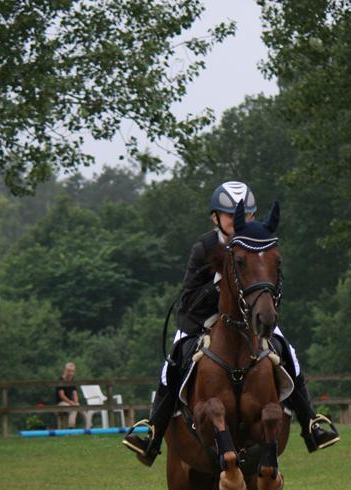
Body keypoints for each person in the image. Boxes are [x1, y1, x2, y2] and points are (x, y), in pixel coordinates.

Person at [122, 180, 339, 466]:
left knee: (289, 353)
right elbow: (189, 297)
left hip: (250, 319)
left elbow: (272, 281)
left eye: (247, 215)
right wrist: (219, 286)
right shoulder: (204, 248)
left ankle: (311, 423)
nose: (238, 221)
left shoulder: (258, 245)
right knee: (173, 362)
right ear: (216, 218)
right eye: (231, 216)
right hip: (203, 319)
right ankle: (152, 432)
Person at [55, 362, 79, 428]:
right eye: (69, 371)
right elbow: (62, 396)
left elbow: (75, 394)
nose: (70, 373)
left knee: (82, 409)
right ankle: (71, 427)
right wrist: (72, 403)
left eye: (72, 371)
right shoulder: (60, 380)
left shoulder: (72, 381)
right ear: (65, 371)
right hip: (61, 403)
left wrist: (76, 402)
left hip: (70, 403)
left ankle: (88, 428)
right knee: (73, 408)